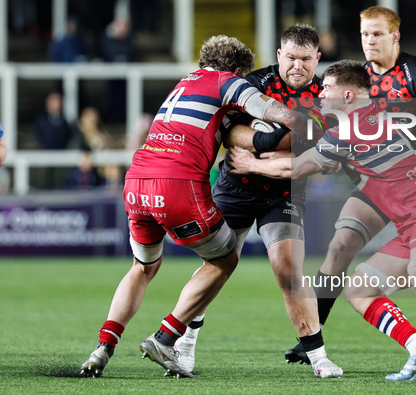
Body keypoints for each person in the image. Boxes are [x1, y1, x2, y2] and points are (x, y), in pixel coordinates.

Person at [79, 35, 316, 379]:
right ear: (236, 69)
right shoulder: (228, 81)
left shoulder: (184, 83)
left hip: (137, 181)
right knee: (224, 259)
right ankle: (167, 336)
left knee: (142, 268)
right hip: (177, 185)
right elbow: (275, 112)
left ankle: (102, 348)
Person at [228, 59, 416, 384]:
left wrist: (252, 164)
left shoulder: (348, 130)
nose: (321, 92)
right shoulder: (376, 117)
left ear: (347, 95)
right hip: (412, 221)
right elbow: (330, 158)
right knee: (361, 289)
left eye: (328, 88)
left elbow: (295, 169)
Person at [287, 6, 416, 363]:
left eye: (377, 34)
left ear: (395, 37)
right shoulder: (359, 77)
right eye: (365, 35)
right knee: (340, 245)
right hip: (373, 179)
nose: (369, 41)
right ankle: (313, 336)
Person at [174, 24, 343, 379]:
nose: (298, 66)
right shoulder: (254, 83)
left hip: (284, 191)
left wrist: (260, 145)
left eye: (306, 59)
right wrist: (268, 144)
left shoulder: (328, 94)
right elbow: (229, 130)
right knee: (217, 265)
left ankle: (318, 357)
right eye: (291, 58)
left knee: (289, 268)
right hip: (236, 184)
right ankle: (184, 343)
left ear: (318, 59)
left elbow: (313, 143)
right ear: (279, 56)